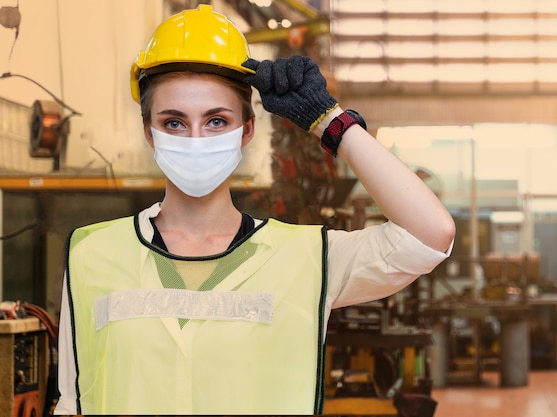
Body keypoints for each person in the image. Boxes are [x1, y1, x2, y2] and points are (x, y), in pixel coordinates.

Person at [54, 5, 455, 416]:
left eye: (216, 121)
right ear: (149, 132)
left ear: (246, 129)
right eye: (174, 122)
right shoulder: (92, 254)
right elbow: (71, 402)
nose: (195, 138)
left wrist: (330, 122)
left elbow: (429, 234)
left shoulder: (305, 259)